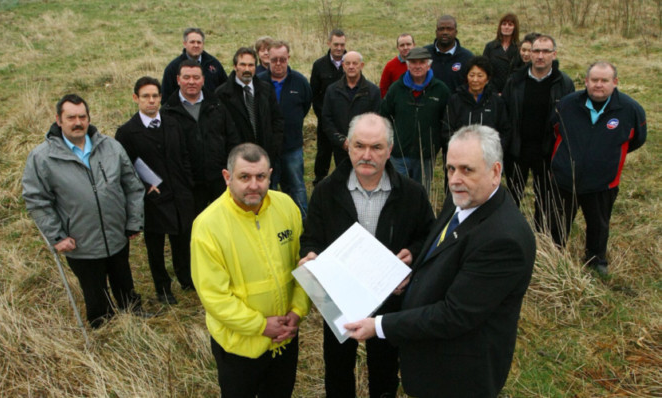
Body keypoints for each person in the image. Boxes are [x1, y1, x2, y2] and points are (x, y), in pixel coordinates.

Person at [344, 125, 536, 398]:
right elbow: (442, 249)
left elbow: (454, 315)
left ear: (495, 171)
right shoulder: (463, 198)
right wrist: (413, 268)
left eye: (467, 169)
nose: (455, 179)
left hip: (458, 376)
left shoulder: (503, 241)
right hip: (429, 360)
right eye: (450, 169)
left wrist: (379, 326)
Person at [299, 113, 434, 398]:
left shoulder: (412, 194)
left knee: (385, 368)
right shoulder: (326, 191)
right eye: (359, 146)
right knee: (337, 367)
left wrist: (415, 256)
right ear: (347, 146)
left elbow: (427, 237)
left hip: (390, 299)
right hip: (339, 297)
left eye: (376, 148)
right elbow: (311, 236)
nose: (367, 155)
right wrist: (309, 254)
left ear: (390, 150)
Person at [191, 143, 310, 398]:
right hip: (239, 347)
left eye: (261, 177)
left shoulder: (287, 206)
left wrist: (298, 311)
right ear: (227, 177)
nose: (254, 185)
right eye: (244, 177)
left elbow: (301, 267)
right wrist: (260, 326)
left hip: (285, 339)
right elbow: (214, 297)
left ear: (270, 174)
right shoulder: (207, 226)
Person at [22, 94, 146, 328]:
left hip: (116, 234)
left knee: (123, 278)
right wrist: (56, 236)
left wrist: (133, 220)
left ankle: (132, 311)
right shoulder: (42, 157)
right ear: (58, 120)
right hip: (79, 242)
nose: (77, 122)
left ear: (89, 118)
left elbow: (132, 185)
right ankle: (103, 325)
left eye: (82, 116)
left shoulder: (110, 147)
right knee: (94, 289)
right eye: (71, 117)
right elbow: (36, 199)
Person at [549, 61, 647, 275]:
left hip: (603, 182)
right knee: (558, 221)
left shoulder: (631, 110)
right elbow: (554, 130)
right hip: (565, 179)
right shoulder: (567, 104)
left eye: (604, 81)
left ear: (615, 82)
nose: (598, 85)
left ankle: (596, 260)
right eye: (594, 80)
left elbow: (637, 139)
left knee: (598, 224)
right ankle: (553, 254)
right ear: (586, 81)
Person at [115, 77, 194, 305]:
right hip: (153, 199)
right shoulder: (127, 133)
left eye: (155, 96)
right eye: (146, 96)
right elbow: (125, 168)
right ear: (135, 99)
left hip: (179, 195)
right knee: (156, 247)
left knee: (182, 240)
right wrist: (144, 188)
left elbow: (185, 155)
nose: (151, 101)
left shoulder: (172, 123)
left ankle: (186, 278)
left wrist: (186, 182)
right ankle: (163, 288)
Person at [502, 34, 574, 231]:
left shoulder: (564, 84)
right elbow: (506, 115)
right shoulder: (514, 81)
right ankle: (511, 232)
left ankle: (541, 237)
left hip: (547, 153)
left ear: (554, 54)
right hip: (517, 150)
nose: (540, 56)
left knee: (545, 197)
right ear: (529, 53)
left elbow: (568, 121)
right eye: (536, 51)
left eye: (545, 51)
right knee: (513, 196)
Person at [162, 59, 240, 215]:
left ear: (203, 79)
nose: (191, 82)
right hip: (189, 185)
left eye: (196, 77)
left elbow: (232, 139)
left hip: (219, 181)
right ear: (178, 80)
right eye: (186, 77)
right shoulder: (167, 113)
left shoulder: (217, 106)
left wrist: (230, 171)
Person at [380, 47, 450, 193]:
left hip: (425, 156)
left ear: (429, 65)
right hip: (398, 154)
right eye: (413, 62)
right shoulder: (396, 89)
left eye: (422, 62)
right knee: (398, 193)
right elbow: (384, 116)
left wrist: (436, 145)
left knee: (421, 193)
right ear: (407, 65)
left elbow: (447, 122)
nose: (417, 66)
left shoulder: (441, 90)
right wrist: (389, 142)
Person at [258, 40, 312, 217]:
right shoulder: (259, 83)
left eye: (282, 59)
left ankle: (302, 222)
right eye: (274, 60)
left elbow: (305, 106)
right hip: (267, 149)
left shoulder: (300, 82)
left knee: (296, 187)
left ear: (288, 58)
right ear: (268, 59)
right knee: (268, 188)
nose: (278, 63)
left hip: (292, 146)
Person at [216, 47, 284, 171]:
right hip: (238, 161)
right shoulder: (222, 94)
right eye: (243, 65)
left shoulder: (266, 90)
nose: (247, 69)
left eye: (251, 65)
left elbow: (277, 120)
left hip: (265, 157)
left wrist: (273, 148)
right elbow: (219, 130)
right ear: (235, 66)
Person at [322, 51, 381, 169]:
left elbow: (376, 120)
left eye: (355, 63)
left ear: (361, 66)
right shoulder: (332, 90)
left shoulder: (373, 91)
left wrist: (361, 143)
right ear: (343, 66)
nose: (351, 66)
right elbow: (326, 119)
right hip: (341, 149)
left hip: (365, 149)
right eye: (347, 63)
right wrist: (341, 141)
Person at [444, 56, 511, 153]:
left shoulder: (496, 102)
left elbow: (505, 131)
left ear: (487, 79)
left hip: (488, 157)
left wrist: (495, 151)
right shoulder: (455, 100)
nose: (475, 80)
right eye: (471, 75)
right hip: (460, 155)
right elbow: (447, 129)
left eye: (480, 76)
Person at [310, 29, 346, 185]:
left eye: (342, 45)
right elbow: (314, 94)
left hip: (345, 121)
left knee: (344, 155)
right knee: (323, 153)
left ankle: (344, 182)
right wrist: (323, 117)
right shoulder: (319, 65)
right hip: (325, 121)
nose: (339, 48)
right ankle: (320, 182)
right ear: (329, 43)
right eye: (336, 44)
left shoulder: (351, 63)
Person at [161, 28, 228, 104]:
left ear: (203, 44)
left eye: (199, 42)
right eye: (192, 42)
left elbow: (225, 89)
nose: (196, 45)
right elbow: (166, 98)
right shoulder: (173, 68)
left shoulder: (214, 64)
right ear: (185, 44)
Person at [424, 15, 474, 93]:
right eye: (441, 29)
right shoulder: (425, 54)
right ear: (436, 32)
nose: (445, 32)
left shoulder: (467, 57)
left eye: (449, 29)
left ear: (456, 32)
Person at [482, 13, 521, 93]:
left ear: (515, 28)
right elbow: (484, 69)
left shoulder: (519, 48)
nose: (506, 27)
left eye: (510, 24)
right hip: (492, 90)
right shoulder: (490, 47)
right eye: (504, 24)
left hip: (512, 90)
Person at [379, 33, 415, 98]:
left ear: (414, 45)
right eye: (402, 45)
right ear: (397, 47)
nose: (405, 47)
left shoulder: (422, 64)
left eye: (408, 44)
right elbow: (383, 89)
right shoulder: (390, 66)